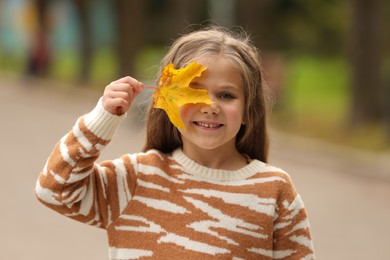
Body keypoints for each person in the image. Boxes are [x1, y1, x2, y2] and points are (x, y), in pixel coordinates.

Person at [35, 27, 315, 259]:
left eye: (226, 95)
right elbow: (54, 190)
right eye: (194, 91)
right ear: (166, 101)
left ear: (248, 111)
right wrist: (102, 119)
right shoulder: (136, 178)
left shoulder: (273, 190)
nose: (209, 105)